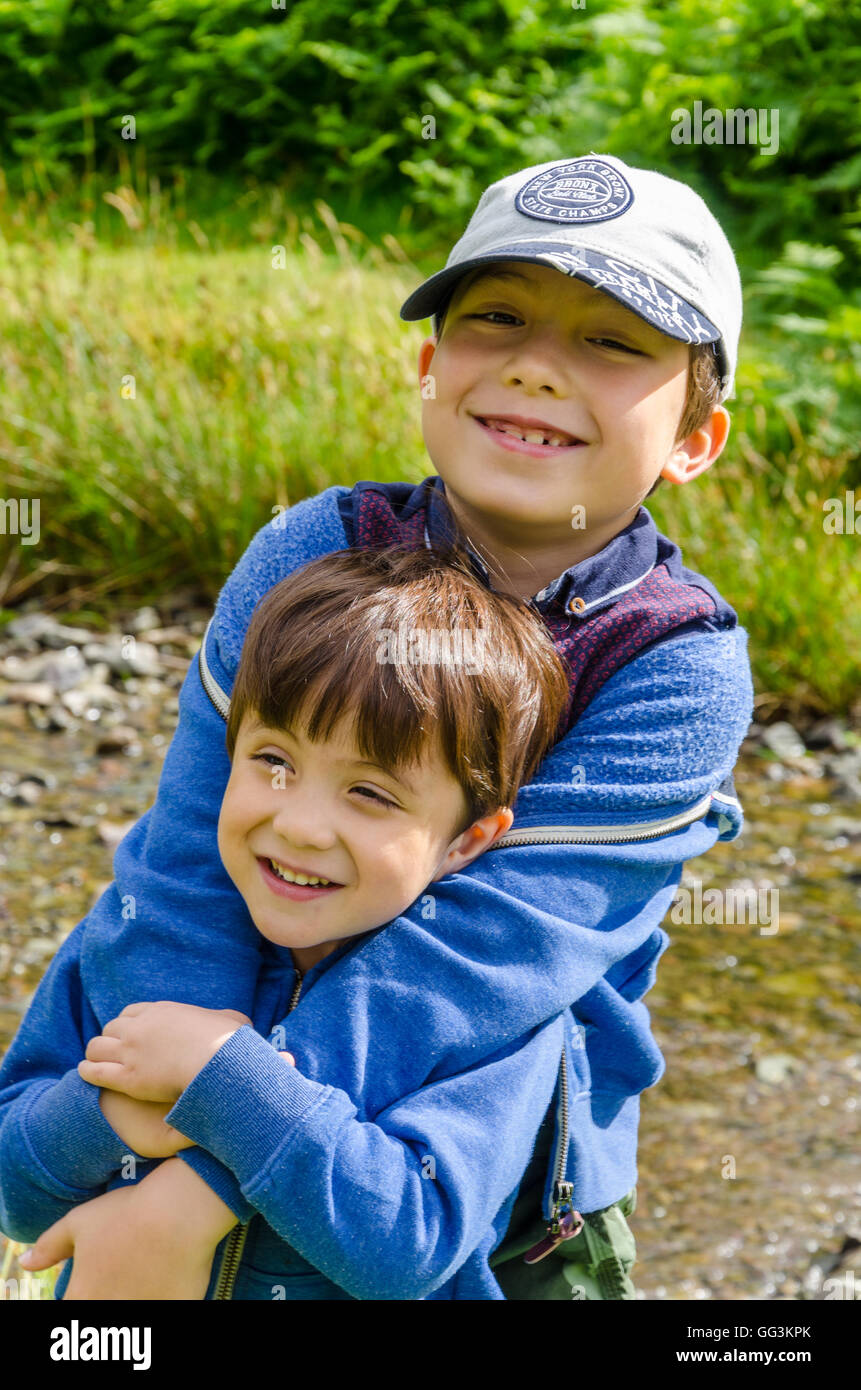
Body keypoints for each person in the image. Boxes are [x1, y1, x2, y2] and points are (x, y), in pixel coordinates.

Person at [0, 153, 754, 1300]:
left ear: (696, 438)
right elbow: (192, 855)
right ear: (428, 363)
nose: (538, 366)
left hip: (475, 1194)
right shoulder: (309, 549)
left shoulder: (676, 661)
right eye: (496, 317)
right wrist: (157, 1085)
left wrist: (197, 1174)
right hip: (190, 1092)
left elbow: (478, 962)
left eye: (611, 341)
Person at [1, 545, 581, 1299]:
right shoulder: (136, 935)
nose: (301, 826)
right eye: (273, 761)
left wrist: (226, 1080)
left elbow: (407, 1245)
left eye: (370, 793)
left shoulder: (486, 1012)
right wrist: (104, 1113)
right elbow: (16, 1198)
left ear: (467, 841)